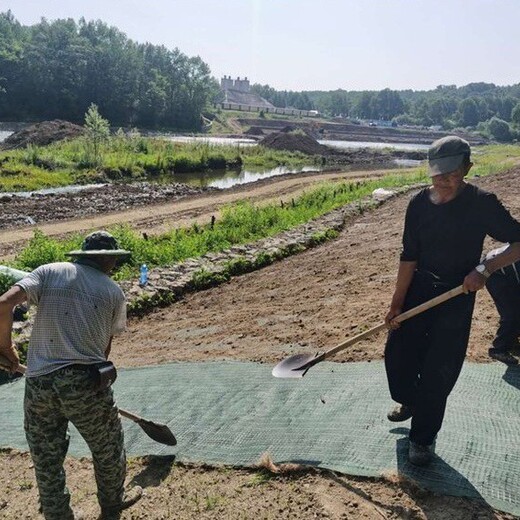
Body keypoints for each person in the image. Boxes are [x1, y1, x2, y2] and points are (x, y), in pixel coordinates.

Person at [384, 136, 520, 467]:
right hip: (419, 288)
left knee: (439, 370)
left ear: (468, 168)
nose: (443, 180)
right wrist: (396, 303)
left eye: (451, 173)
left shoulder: (482, 203)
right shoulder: (417, 203)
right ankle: (409, 399)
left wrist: (485, 269)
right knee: (397, 355)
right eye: (437, 173)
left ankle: (423, 438)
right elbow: (409, 255)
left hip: (458, 294)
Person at [0, 231, 142, 520]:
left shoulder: (50, 271)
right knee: (108, 448)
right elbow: (103, 352)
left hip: (38, 384)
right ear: (111, 259)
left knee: (46, 458)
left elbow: (3, 304)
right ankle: (112, 504)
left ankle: (57, 514)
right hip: (85, 382)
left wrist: (5, 348)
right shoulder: (113, 292)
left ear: (82, 254)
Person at [485, 244, 520, 365]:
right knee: (513, 314)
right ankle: (498, 349)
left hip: (508, 271)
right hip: (495, 273)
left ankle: (512, 341)